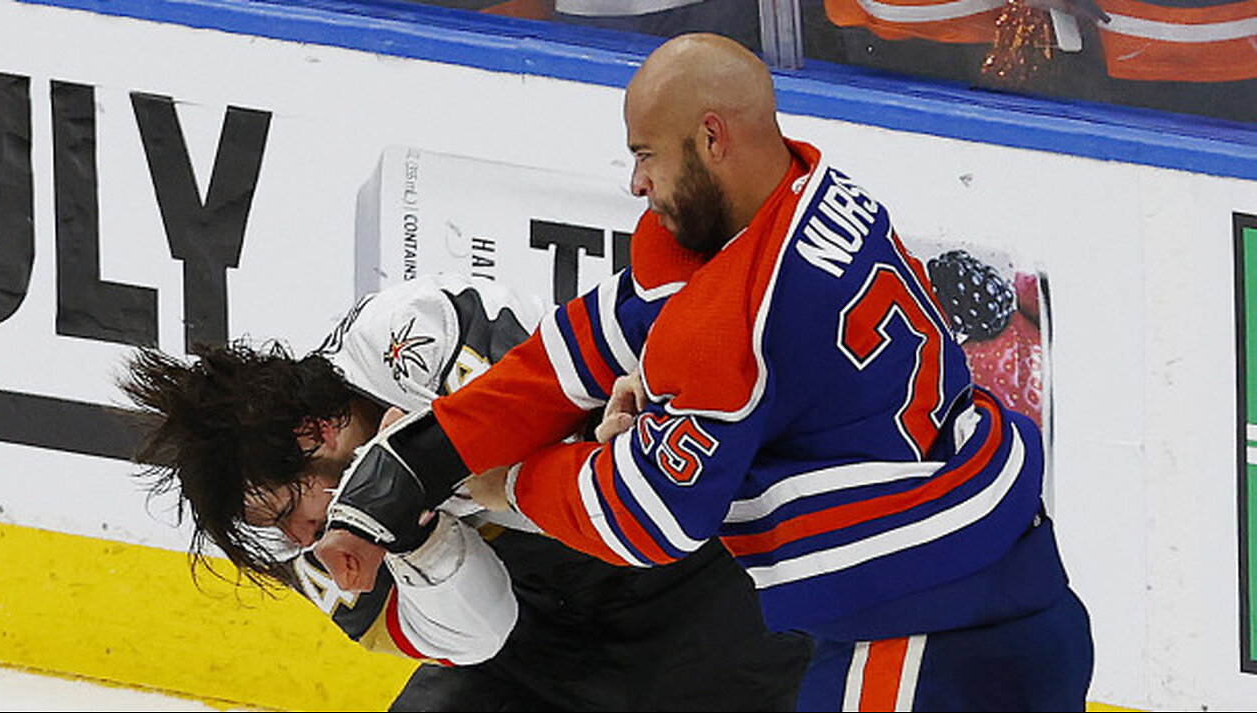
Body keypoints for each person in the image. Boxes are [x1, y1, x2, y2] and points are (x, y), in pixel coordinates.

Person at [314, 33, 1095, 711]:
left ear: (712, 137)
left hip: (923, 647)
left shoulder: (730, 320)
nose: (635, 183)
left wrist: (497, 481)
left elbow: (647, 519)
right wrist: (423, 450)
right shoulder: (812, 193)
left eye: (645, 154)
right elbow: (589, 341)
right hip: (1020, 589)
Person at [119, 273, 812, 712]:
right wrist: (420, 536)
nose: (298, 539)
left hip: (708, 596)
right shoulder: (316, 554)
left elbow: (623, 478)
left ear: (317, 429)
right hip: (543, 647)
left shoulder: (410, 337)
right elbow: (482, 636)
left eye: (282, 508)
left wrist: (434, 462)